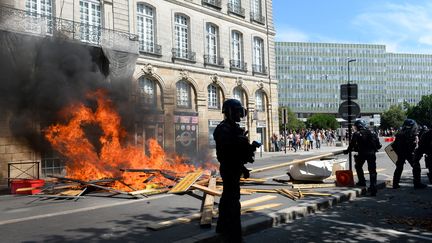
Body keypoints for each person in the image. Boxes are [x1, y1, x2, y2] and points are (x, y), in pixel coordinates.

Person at [213, 99, 260, 242]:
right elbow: (230, 152)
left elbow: (237, 151)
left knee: (227, 197)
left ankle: (222, 227)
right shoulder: (224, 129)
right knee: (232, 200)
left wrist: (243, 165)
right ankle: (234, 235)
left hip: (233, 166)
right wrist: (246, 148)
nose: (240, 115)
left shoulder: (232, 128)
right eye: (237, 112)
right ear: (230, 112)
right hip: (229, 167)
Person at [344, 120, 381, 196]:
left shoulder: (357, 134)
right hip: (371, 154)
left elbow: (352, 145)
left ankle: (362, 181)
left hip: (362, 153)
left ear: (358, 126)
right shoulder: (373, 133)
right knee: (372, 171)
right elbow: (379, 145)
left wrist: (347, 151)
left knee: (358, 166)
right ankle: (373, 187)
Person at [392, 119, 427, 189]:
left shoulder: (399, 133)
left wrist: (398, 154)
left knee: (399, 168)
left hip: (401, 153)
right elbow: (413, 145)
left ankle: (395, 184)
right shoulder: (411, 134)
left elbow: (394, 146)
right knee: (416, 167)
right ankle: (417, 183)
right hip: (409, 153)